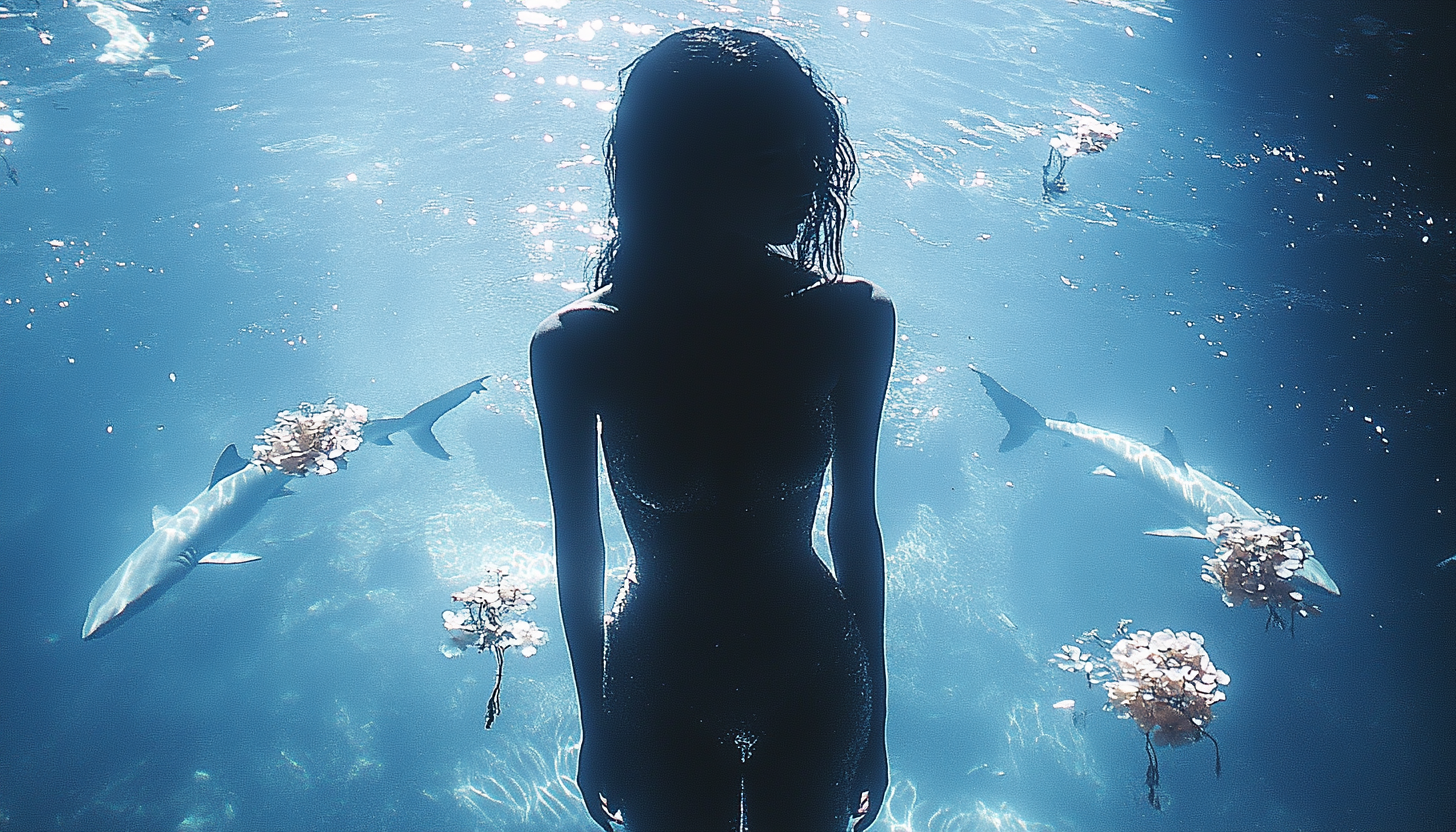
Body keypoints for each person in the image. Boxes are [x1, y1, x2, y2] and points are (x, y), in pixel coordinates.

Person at [531, 28, 894, 832]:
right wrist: (595, 724)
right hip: (658, 686)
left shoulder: (850, 319)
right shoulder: (580, 345)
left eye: (805, 157)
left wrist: (879, 724)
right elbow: (577, 550)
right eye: (774, 158)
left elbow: (855, 525)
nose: (804, 185)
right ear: (687, 164)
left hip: (817, 677)